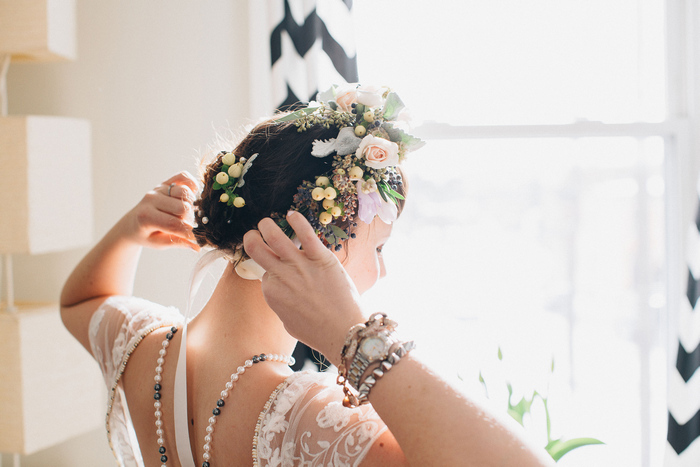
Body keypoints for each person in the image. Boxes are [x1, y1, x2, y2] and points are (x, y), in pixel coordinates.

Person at [61, 85, 554, 467]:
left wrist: (130, 230)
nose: (383, 269)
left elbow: (79, 301)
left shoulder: (143, 347)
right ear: (315, 245)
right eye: (378, 247)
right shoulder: (305, 422)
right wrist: (354, 336)